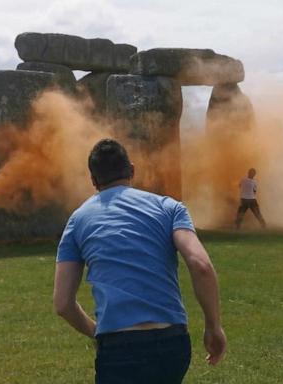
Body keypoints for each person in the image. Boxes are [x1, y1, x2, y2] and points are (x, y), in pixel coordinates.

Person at [54, 139, 226, 384]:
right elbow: (200, 265)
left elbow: (62, 304)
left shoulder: (77, 220)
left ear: (93, 181)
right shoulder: (170, 208)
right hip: (172, 342)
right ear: (132, 170)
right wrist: (213, 326)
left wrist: (96, 331)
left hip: (117, 346)